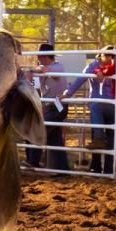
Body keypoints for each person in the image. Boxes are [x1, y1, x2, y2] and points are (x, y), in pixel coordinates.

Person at [61, 45, 116, 174]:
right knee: (97, 137)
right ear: (101, 55)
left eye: (112, 55)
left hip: (113, 105)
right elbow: (80, 79)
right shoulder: (93, 66)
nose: (110, 58)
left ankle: (109, 169)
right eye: (107, 55)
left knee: (111, 138)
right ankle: (96, 167)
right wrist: (68, 93)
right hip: (97, 105)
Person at [25, 43, 69, 171]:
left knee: (40, 129)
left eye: (40, 55)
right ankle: (63, 169)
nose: (38, 58)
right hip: (51, 106)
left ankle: (33, 160)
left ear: (45, 56)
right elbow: (37, 84)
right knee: (55, 140)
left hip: (58, 105)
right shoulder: (43, 68)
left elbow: (46, 71)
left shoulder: (57, 67)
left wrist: (32, 71)